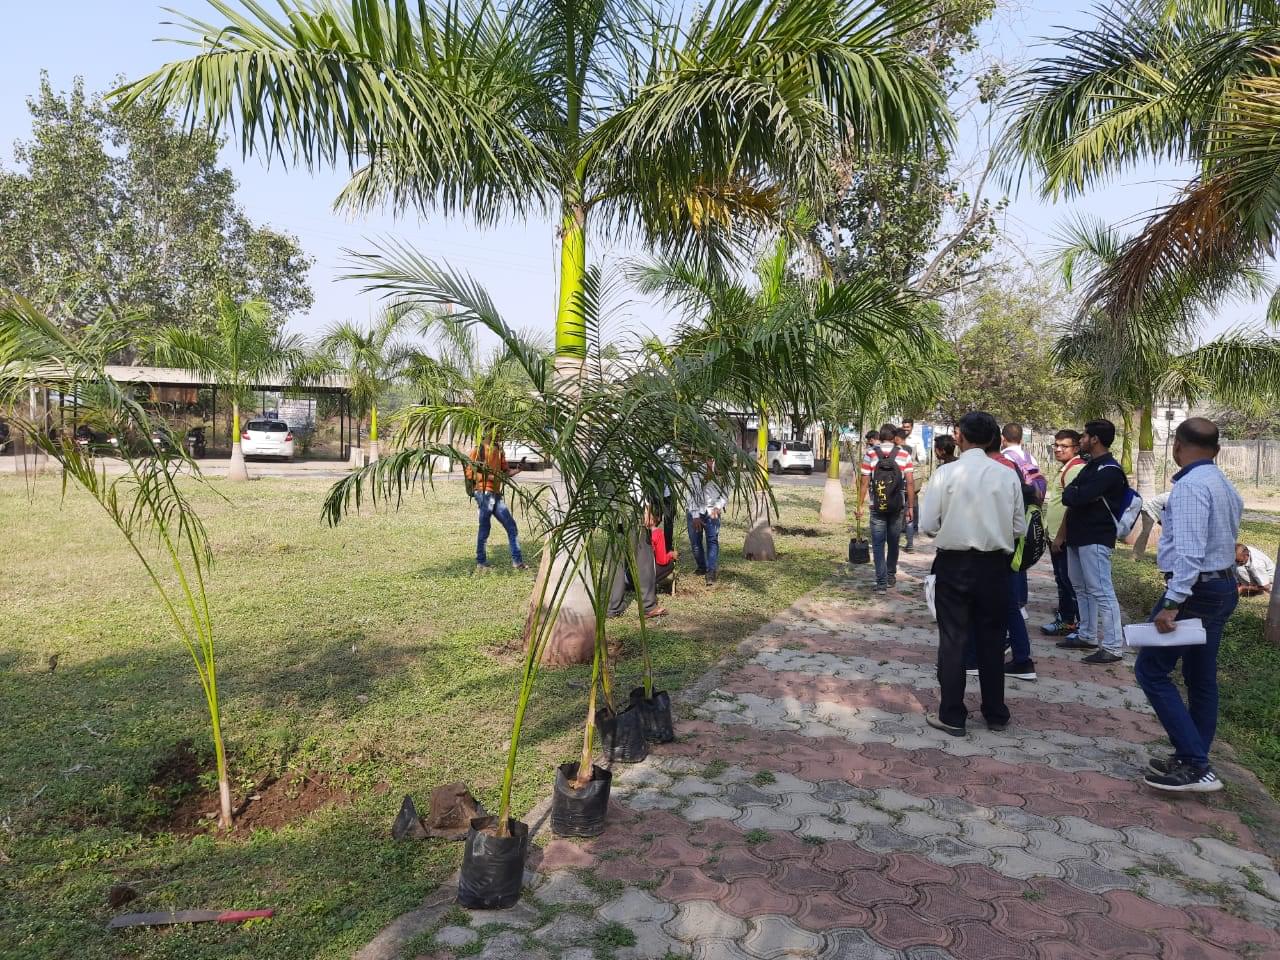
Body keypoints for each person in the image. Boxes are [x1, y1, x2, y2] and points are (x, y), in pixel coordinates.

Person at [1137, 418, 1242, 792]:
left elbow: (1191, 553)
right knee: (1200, 679)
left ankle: (1196, 763)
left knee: (1150, 670)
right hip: (1220, 587)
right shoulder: (1222, 483)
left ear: (1178, 445)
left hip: (1195, 593)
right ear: (1215, 448)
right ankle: (1192, 756)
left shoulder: (1192, 487)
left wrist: (1171, 603)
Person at [919, 411, 1025, 737]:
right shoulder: (1007, 475)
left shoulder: (946, 473)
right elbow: (1019, 526)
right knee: (992, 640)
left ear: (959, 436)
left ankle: (952, 714)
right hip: (995, 566)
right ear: (994, 438)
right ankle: (995, 713)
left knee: (953, 640)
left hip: (954, 564)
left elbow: (927, 525)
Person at [1058, 419, 1128, 664]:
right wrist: (1076, 494)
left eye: (1085, 436)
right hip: (1078, 536)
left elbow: (1079, 495)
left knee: (1101, 591)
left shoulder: (1109, 469)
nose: (1081, 440)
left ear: (1095, 439)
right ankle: (1087, 634)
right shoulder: (1091, 466)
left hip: (1096, 537)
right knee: (1081, 588)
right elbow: (1069, 494)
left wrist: (1076, 494)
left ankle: (1112, 646)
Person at [856, 424, 915, 591]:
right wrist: (910, 506)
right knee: (894, 542)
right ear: (895, 437)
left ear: (880, 436)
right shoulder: (904, 454)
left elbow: (864, 482)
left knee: (878, 544)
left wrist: (859, 505)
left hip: (877, 506)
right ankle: (890, 575)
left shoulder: (870, 453)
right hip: (897, 506)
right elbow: (910, 482)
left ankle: (881, 583)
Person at [1040, 430, 1084, 637]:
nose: (1058, 449)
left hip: (1063, 537)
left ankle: (1077, 623)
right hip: (1055, 535)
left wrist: (1060, 536)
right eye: (1056, 445)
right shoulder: (1065, 468)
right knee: (1061, 579)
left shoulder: (1075, 469)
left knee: (1069, 581)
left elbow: (1072, 507)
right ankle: (1066, 620)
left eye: (1063, 446)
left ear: (1076, 448)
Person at [465, 434, 527, 571]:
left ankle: (517, 562)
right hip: (483, 493)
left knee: (512, 527)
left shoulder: (499, 450)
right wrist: (490, 477)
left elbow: (505, 472)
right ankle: (481, 562)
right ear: (488, 432)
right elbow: (470, 473)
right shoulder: (477, 450)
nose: (499, 432)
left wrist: (518, 469)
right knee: (485, 529)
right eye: (496, 429)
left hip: (496, 494)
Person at [687, 460, 726, 585]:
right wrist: (695, 515)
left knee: (712, 540)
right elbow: (691, 492)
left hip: (712, 510)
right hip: (695, 510)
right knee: (695, 543)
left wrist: (718, 507)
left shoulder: (725, 470)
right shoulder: (696, 469)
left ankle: (711, 571)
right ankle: (702, 566)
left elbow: (726, 492)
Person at [1000, 423, 1047, 502]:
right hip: (1032, 503)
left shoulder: (1003, 458)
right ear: (1021, 439)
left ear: (1002, 438)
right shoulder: (1031, 458)